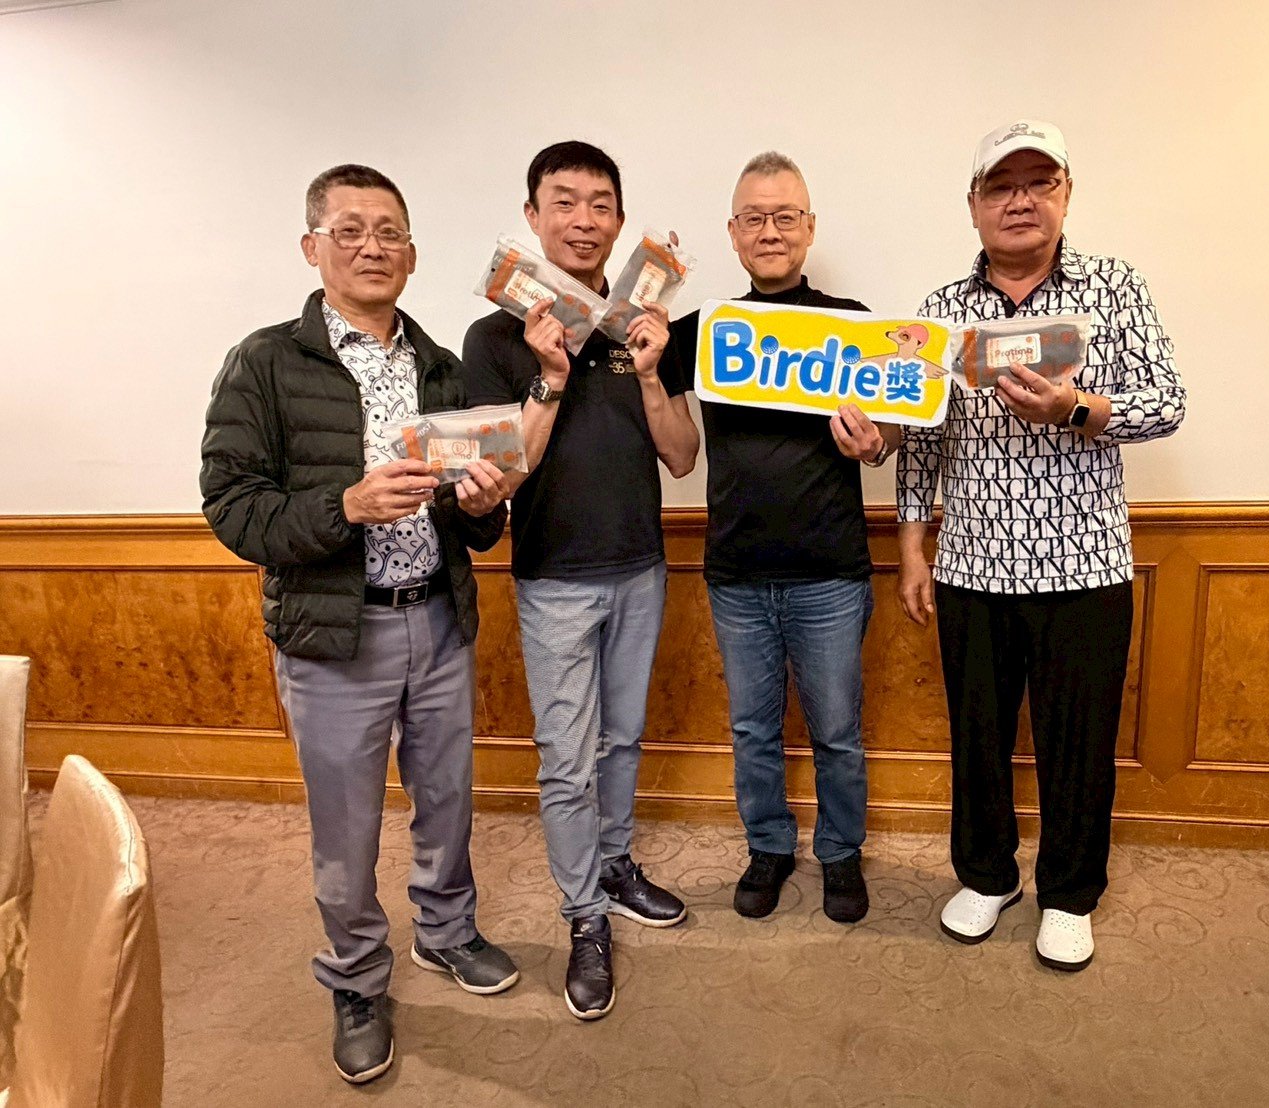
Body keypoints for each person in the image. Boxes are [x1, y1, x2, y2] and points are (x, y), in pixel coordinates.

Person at [201, 164, 516, 1084]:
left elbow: (476, 524)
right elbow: (231, 507)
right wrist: (344, 506)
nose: (372, 247)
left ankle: (446, 932)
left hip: (438, 619)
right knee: (345, 826)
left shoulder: (442, 367)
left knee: (448, 800)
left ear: (411, 255)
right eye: (350, 230)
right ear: (313, 247)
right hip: (334, 637)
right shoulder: (265, 362)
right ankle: (355, 977)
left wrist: (481, 503)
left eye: (389, 233)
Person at [896, 120, 1186, 970]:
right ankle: (986, 876)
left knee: (1078, 740)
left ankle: (1068, 893)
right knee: (977, 736)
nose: (1018, 200)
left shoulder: (1115, 287)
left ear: (1064, 193)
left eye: (1038, 182)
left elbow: (1166, 402)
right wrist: (911, 548)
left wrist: (1075, 409)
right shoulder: (939, 312)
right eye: (1000, 186)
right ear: (973, 205)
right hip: (971, 563)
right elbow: (919, 439)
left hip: (1084, 562)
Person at [461, 141, 700, 1020]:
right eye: (563, 202)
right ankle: (582, 917)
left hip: (640, 568)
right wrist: (551, 376)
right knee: (566, 761)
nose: (583, 219)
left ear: (620, 220)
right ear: (532, 218)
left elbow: (682, 457)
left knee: (623, 741)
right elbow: (499, 480)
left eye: (600, 203)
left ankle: (613, 864)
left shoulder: (643, 327)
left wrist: (650, 372)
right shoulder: (494, 338)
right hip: (554, 579)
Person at [670, 152, 899, 924]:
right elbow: (633, 371)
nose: (769, 231)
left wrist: (875, 443)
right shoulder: (706, 329)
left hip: (830, 571)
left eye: (784, 216)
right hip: (735, 572)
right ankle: (767, 846)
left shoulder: (851, 322)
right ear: (733, 233)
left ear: (809, 228)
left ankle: (839, 851)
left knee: (836, 730)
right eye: (754, 218)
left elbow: (897, 423)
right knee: (751, 731)